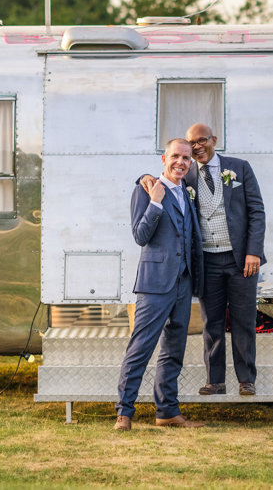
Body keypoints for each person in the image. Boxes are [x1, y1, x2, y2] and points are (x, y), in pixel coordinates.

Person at [114, 138, 205, 431]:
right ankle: (124, 413)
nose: (181, 162)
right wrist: (154, 200)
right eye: (175, 156)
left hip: (183, 284)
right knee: (140, 347)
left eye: (186, 159)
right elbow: (140, 236)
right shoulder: (145, 190)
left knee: (173, 350)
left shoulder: (187, 193)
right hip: (154, 284)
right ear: (164, 158)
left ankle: (167, 411)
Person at [183, 123, 266, 397]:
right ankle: (215, 380)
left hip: (241, 259)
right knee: (212, 323)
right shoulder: (187, 175)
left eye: (201, 140)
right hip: (207, 261)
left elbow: (256, 211)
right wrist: (144, 178)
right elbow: (161, 179)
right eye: (191, 143)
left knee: (244, 320)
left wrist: (253, 251)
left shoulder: (239, 167)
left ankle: (246, 379)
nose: (197, 147)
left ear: (214, 140)